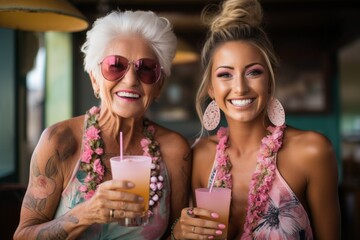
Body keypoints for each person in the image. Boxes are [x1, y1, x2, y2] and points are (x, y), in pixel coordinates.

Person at [14, 10, 192, 240]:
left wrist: (181, 233)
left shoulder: (174, 150)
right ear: (94, 79)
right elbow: (22, 236)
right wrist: (87, 212)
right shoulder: (59, 140)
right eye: (115, 65)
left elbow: (174, 233)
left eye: (146, 68)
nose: (130, 80)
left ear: (158, 86)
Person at [171, 0, 341, 239]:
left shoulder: (312, 151)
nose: (240, 87)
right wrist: (178, 232)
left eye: (253, 72)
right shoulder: (199, 155)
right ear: (211, 87)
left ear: (270, 81)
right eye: (225, 75)